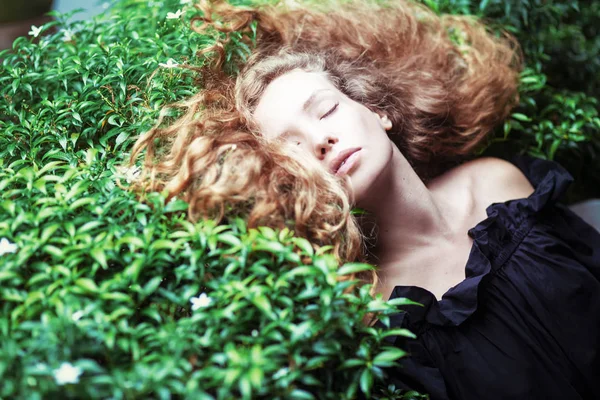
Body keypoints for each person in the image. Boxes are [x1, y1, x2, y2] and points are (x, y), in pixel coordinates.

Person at [128, 0, 600, 399]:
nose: (321, 140)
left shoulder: (501, 184)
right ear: (287, 179)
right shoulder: (372, 310)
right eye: (291, 147)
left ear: (377, 111)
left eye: (326, 109)